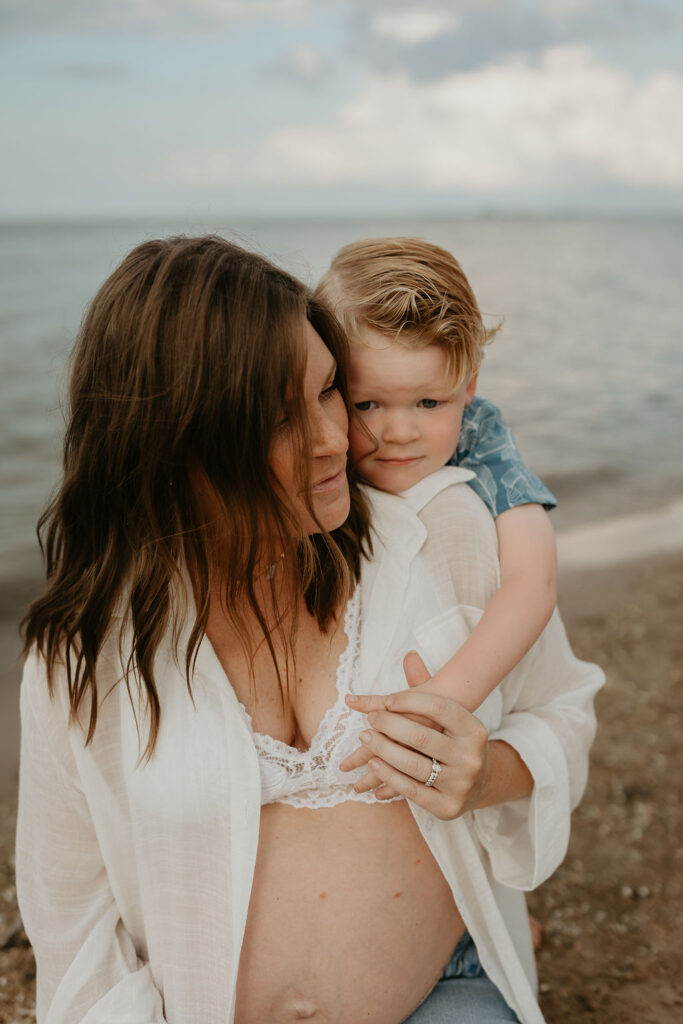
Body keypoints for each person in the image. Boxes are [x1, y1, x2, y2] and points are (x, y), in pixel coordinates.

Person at [16, 235, 603, 1024]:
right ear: (180, 443)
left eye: (331, 390)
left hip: (446, 989)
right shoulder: (84, 658)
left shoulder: (446, 530)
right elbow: (74, 925)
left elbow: (563, 711)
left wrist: (486, 774)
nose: (336, 440)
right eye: (278, 418)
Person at [316, 237, 557, 806]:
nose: (400, 433)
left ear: (468, 387)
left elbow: (533, 579)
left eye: (430, 404)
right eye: (367, 404)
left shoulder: (480, 433)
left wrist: (443, 702)